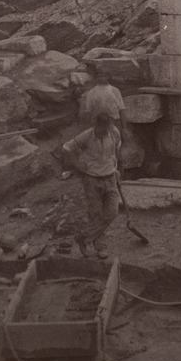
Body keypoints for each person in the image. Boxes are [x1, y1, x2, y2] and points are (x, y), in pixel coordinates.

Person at [58, 84, 124, 259]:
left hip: (110, 177)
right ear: (97, 125)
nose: (105, 132)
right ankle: (100, 246)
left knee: (112, 212)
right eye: (102, 129)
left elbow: (117, 150)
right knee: (95, 214)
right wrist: (77, 165)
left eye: (107, 129)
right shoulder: (87, 135)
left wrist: (116, 168)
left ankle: (84, 237)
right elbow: (66, 148)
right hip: (92, 180)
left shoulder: (114, 132)